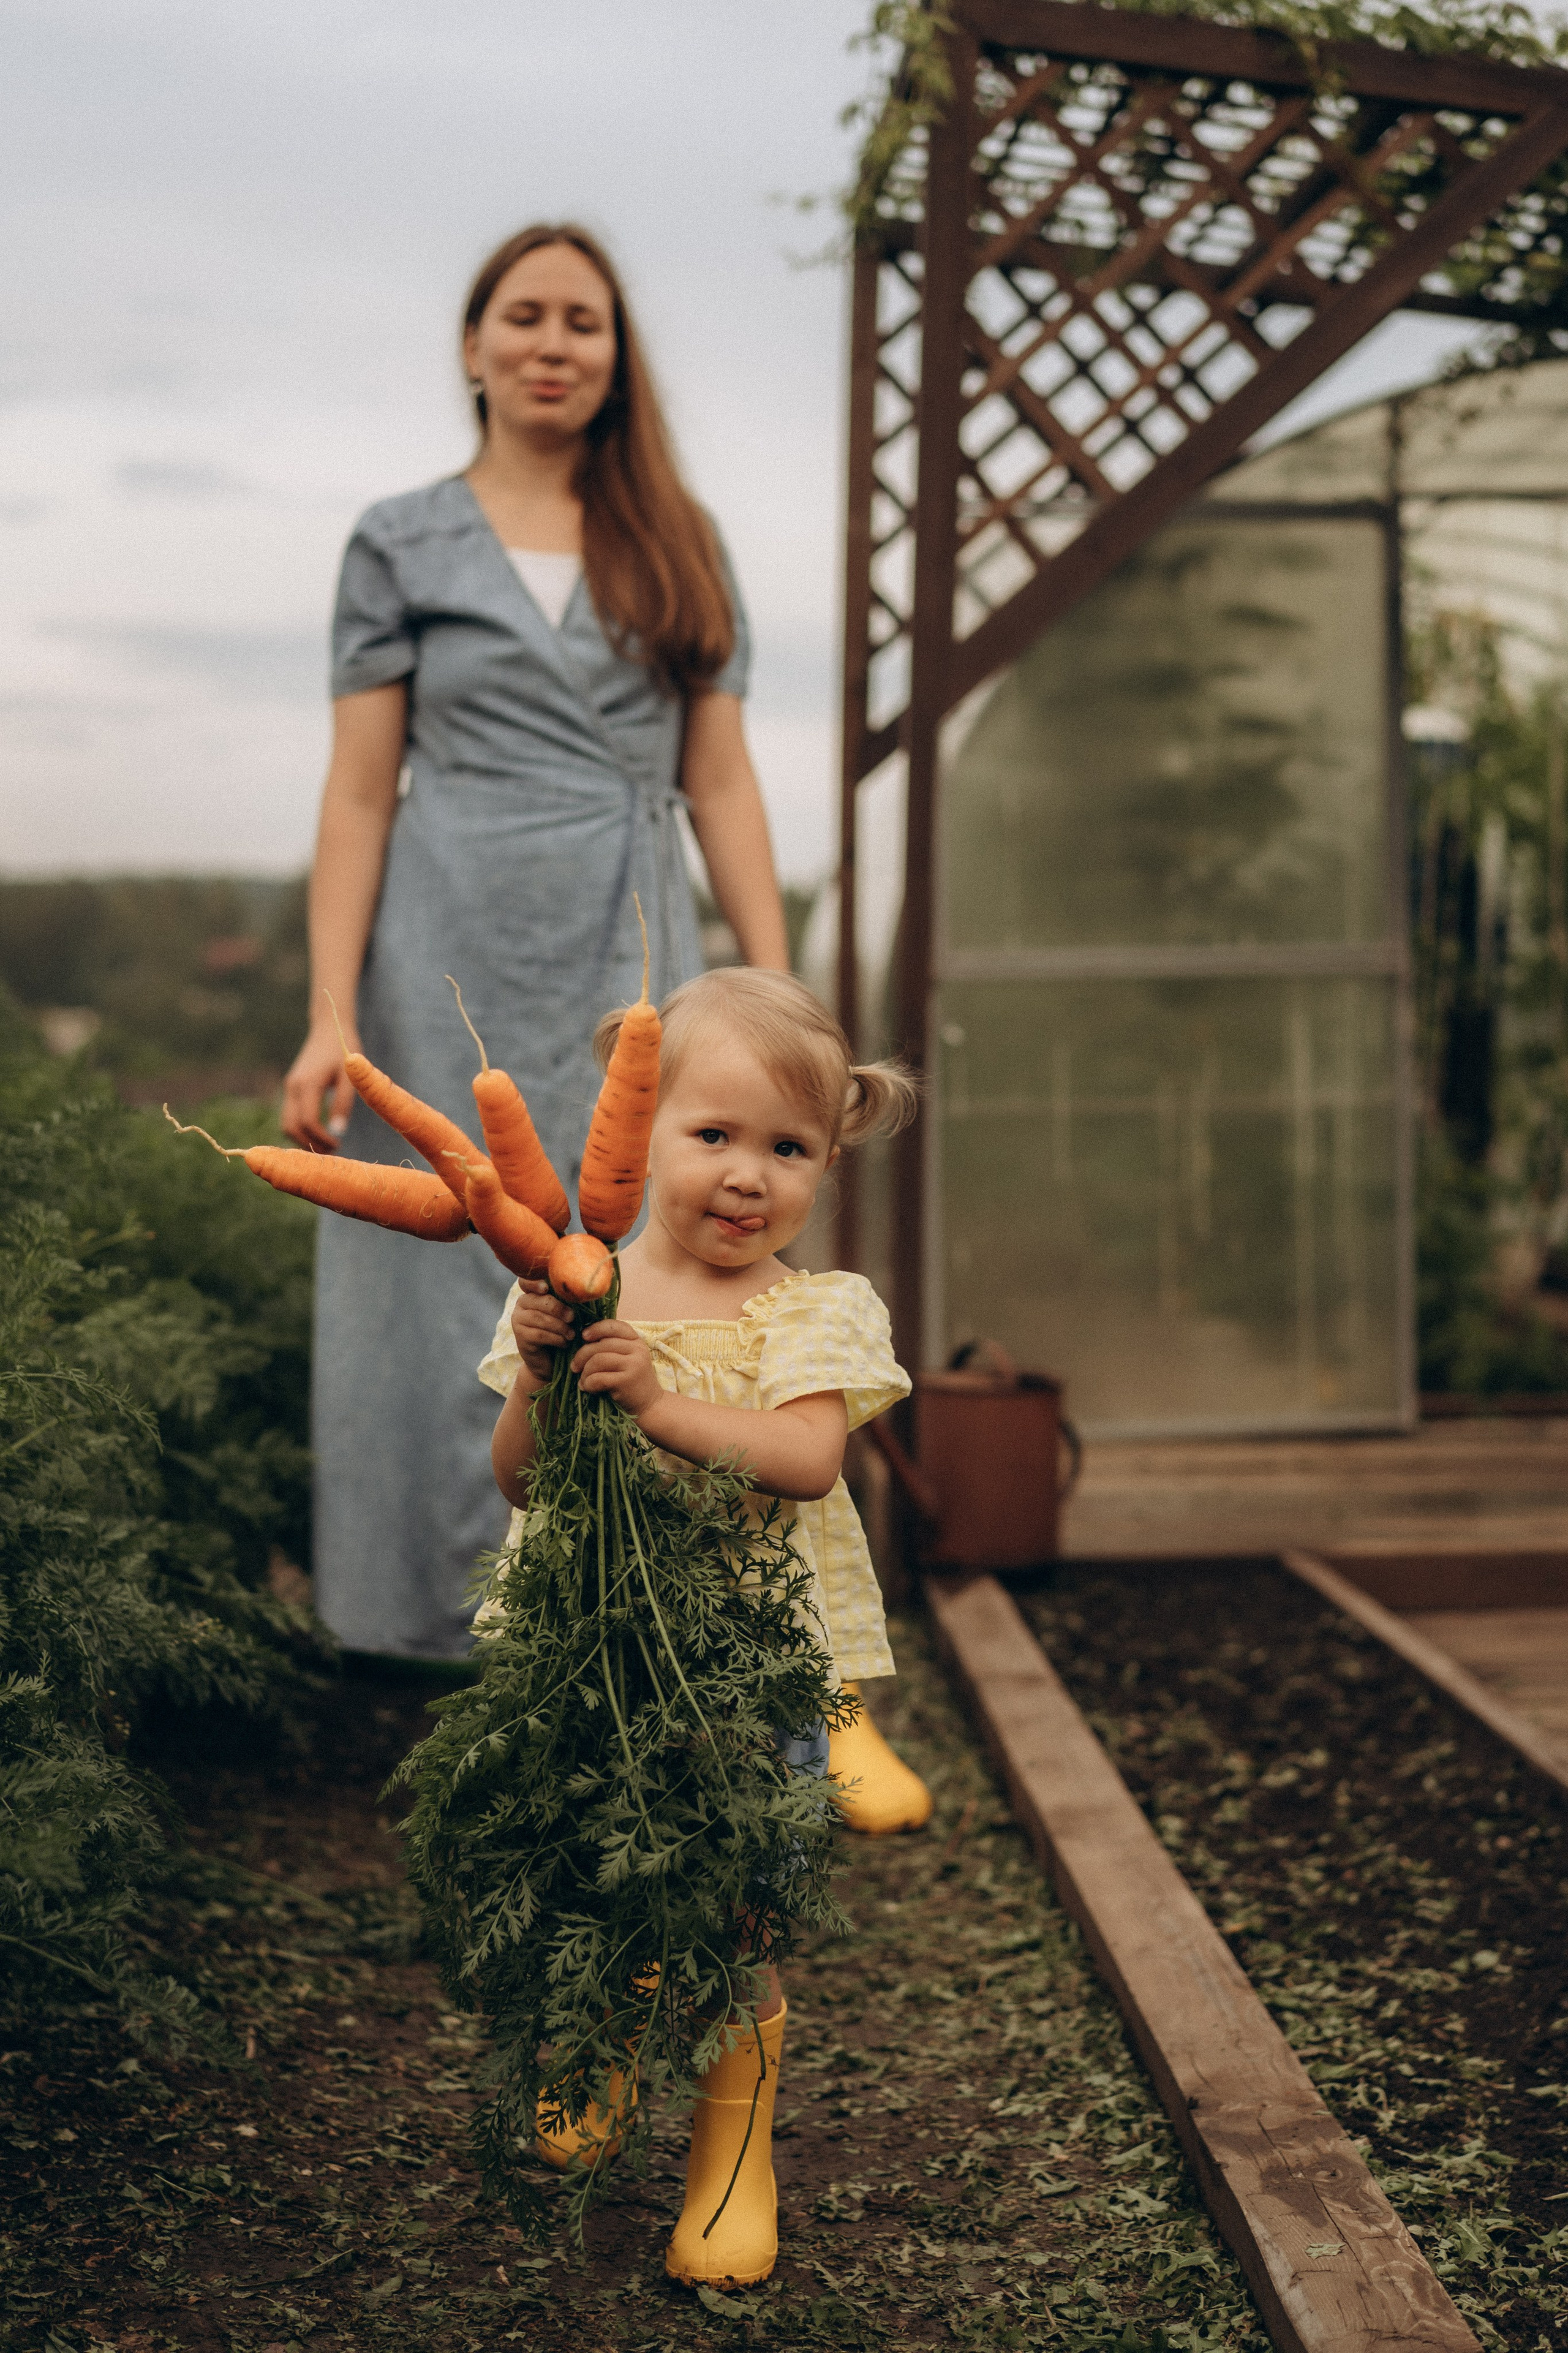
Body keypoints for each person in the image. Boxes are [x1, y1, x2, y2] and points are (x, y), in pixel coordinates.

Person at [282, 224, 788, 1660]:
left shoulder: (679, 541)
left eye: (583, 321)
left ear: (616, 359)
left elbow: (722, 781)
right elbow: (359, 788)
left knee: (629, 1260)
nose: (552, 342)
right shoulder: (398, 537)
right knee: (449, 1253)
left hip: (626, 950)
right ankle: (437, 1632)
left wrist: (771, 982)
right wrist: (332, 1013)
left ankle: (628, 1624)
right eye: (525, 315)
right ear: (473, 346)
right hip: (437, 947)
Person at [477, 969, 929, 2287]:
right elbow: (518, 1476)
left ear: (825, 1164)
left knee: (738, 1916)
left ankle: (733, 2160)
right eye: (713, 1135)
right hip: (592, 1664)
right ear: (636, 1135)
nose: (747, 1176)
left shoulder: (816, 1308)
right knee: (600, 1874)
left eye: (786, 1149)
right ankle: (607, 2057)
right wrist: (550, 1376)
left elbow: (801, 1459)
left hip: (745, 1670)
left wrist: (665, 1405)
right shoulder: (582, 1282)